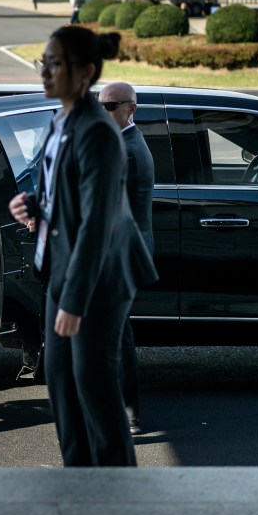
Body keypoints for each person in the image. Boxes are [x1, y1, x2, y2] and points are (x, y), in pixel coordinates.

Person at [8, 26, 158, 466]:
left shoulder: (99, 133)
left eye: (56, 63)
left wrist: (74, 300)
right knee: (60, 378)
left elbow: (98, 222)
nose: (46, 71)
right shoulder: (63, 119)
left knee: (92, 384)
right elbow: (64, 190)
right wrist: (33, 204)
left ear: (86, 72)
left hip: (97, 280)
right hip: (62, 271)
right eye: (44, 61)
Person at [98, 82, 154, 437]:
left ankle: (128, 414)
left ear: (130, 108)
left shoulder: (127, 150)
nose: (101, 113)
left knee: (117, 336)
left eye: (109, 107)